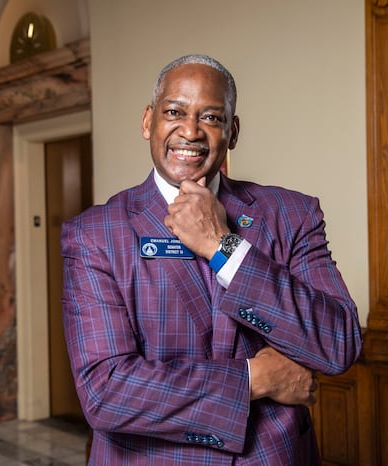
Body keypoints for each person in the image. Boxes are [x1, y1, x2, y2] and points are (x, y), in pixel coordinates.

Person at [61, 54, 362, 465]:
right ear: (149, 121)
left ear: (232, 132)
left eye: (211, 117)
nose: (190, 131)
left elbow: (338, 343)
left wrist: (225, 247)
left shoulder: (292, 214)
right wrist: (253, 379)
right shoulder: (95, 234)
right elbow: (106, 391)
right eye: (174, 112)